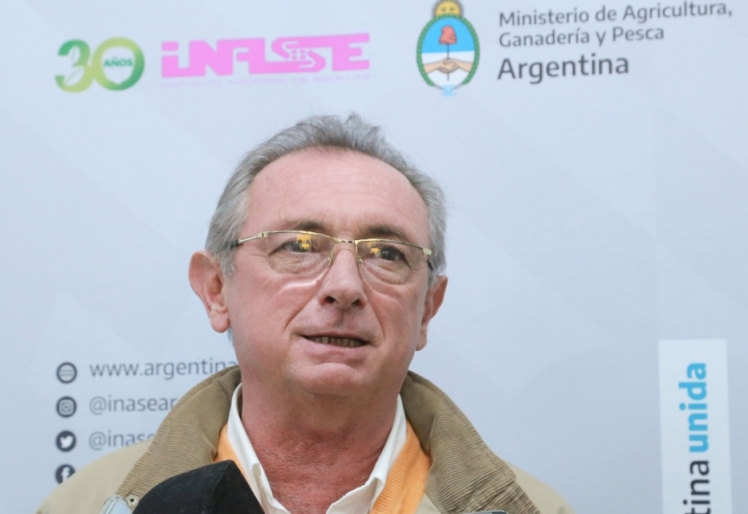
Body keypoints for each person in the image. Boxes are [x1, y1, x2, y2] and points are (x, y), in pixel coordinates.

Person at [37, 114, 575, 514]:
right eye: (297, 245)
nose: (345, 287)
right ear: (217, 290)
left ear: (427, 310)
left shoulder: (535, 510)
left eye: (386, 254)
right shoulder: (86, 505)